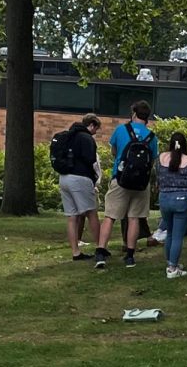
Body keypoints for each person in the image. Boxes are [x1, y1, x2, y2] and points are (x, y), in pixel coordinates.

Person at [95, 100, 158, 269]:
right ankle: (130, 255)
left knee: (110, 216)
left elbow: (114, 151)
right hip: (141, 183)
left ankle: (101, 251)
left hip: (120, 178)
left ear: (134, 114)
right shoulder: (152, 137)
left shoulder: (121, 130)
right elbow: (152, 160)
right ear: (147, 116)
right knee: (134, 218)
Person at [52, 113, 102, 260]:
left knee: (72, 217)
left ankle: (75, 251)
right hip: (80, 178)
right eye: (96, 129)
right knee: (91, 213)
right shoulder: (86, 138)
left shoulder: (67, 136)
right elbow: (91, 160)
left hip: (64, 178)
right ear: (91, 125)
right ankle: (100, 247)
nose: (95, 133)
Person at [155, 131, 187, 279]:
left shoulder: (160, 158)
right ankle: (172, 268)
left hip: (164, 198)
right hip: (182, 199)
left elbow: (158, 176)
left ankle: (170, 262)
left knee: (169, 233)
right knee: (178, 236)